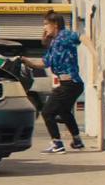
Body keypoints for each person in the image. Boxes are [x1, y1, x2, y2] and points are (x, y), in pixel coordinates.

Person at [21, 11, 97, 154]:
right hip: (71, 85)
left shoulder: (64, 35)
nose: (44, 28)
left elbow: (82, 37)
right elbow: (44, 63)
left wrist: (94, 53)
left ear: (55, 24)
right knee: (63, 111)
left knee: (47, 112)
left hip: (70, 84)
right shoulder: (54, 43)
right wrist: (27, 61)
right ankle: (77, 141)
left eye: (45, 24)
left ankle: (57, 144)